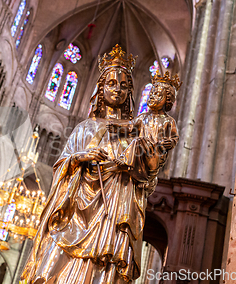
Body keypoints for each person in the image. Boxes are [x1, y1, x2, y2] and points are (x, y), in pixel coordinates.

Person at [20, 46, 177, 284]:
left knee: (103, 268)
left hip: (113, 213)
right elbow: (62, 165)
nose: (117, 90)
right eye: (111, 83)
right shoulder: (85, 127)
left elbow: (148, 177)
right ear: (100, 89)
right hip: (75, 212)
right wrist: (80, 158)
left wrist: (144, 158)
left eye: (124, 86)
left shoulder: (134, 132)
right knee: (52, 268)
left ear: (131, 93)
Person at [121, 71, 180, 194]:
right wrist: (116, 127)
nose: (153, 96)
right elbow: (129, 127)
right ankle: (128, 165)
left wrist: (170, 142)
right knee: (137, 141)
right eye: (152, 93)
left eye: (158, 95)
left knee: (139, 141)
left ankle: (131, 165)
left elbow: (174, 138)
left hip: (155, 154)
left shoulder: (168, 121)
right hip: (139, 155)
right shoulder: (142, 118)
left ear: (167, 101)